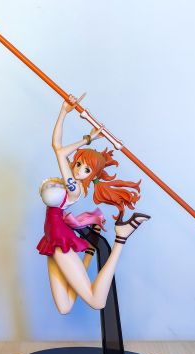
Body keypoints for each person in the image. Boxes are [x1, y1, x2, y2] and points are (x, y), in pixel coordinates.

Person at [37, 94, 150, 314]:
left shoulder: (74, 188)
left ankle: (121, 237)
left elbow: (60, 152)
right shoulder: (68, 181)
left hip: (59, 242)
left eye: (86, 170)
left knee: (97, 302)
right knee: (64, 307)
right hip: (51, 240)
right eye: (79, 164)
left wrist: (88, 139)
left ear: (91, 176)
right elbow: (56, 145)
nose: (79, 170)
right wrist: (63, 111)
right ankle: (89, 254)